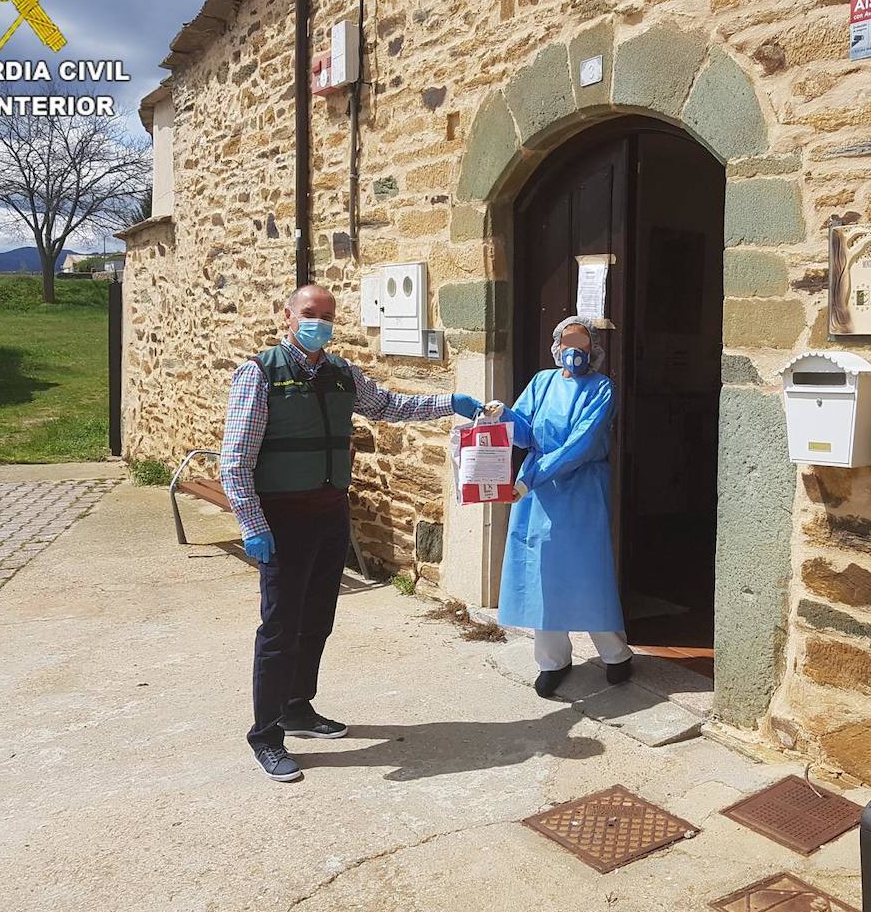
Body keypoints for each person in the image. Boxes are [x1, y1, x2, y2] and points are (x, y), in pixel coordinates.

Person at [221, 283, 483, 782]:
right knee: (279, 629)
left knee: (316, 620)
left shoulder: (342, 374)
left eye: (327, 314)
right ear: (287, 317)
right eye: (308, 313)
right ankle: (267, 734)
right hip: (281, 520)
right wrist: (253, 525)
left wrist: (450, 401)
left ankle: (298, 708)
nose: (318, 322)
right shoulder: (259, 374)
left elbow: (388, 406)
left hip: (329, 514)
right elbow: (235, 461)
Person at [494, 316, 632, 698]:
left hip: (580, 485)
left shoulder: (601, 388)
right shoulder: (541, 382)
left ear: (594, 351)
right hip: (537, 490)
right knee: (541, 572)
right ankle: (552, 660)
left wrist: (530, 477)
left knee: (587, 570)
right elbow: (523, 428)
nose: (574, 352)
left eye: (582, 345)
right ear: (556, 347)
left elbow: (581, 443)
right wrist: (501, 416)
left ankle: (615, 653)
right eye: (568, 343)